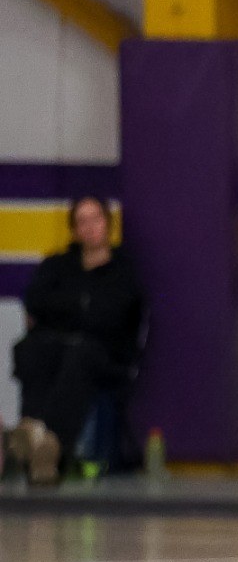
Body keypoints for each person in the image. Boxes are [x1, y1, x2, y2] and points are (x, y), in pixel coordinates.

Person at [7, 196, 145, 485]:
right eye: (82, 221)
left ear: (107, 223)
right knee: (33, 348)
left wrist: (71, 309)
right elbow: (36, 300)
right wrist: (81, 307)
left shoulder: (123, 270)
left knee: (80, 356)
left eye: (96, 219)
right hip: (57, 345)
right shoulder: (58, 264)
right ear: (74, 229)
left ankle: (51, 442)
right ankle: (32, 429)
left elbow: (111, 317)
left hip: (104, 353)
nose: (91, 227)